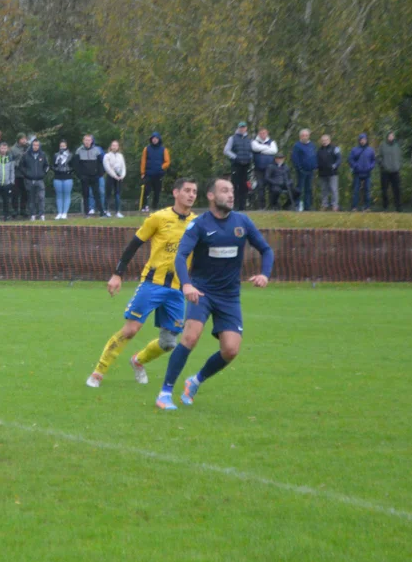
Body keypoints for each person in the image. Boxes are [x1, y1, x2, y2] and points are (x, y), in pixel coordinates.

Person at [156, 178, 274, 410]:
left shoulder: (242, 222)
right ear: (211, 196)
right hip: (202, 291)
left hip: (229, 295)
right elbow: (180, 256)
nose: (231, 195)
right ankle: (165, 393)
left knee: (230, 350)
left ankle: (195, 381)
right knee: (190, 337)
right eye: (224, 191)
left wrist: (265, 274)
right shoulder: (199, 225)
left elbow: (266, 249)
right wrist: (187, 285)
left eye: (232, 190)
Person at [87, 177, 198, 389]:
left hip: (177, 289)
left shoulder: (197, 223)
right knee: (130, 330)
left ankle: (138, 361)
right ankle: (98, 372)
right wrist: (117, 274)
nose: (191, 195)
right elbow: (134, 244)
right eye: (187, 190)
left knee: (169, 343)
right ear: (176, 193)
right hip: (152, 284)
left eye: (194, 191)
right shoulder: (158, 218)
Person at [223, 121, 254, 210]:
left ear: (246, 128)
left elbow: (252, 151)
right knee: (235, 185)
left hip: (246, 165)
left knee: (244, 186)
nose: (242, 129)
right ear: (238, 128)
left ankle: (242, 206)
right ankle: (234, 205)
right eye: (241, 127)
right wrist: (235, 157)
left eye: (244, 127)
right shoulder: (232, 138)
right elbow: (226, 150)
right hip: (236, 165)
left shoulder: (249, 139)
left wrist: (250, 157)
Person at [19, 137, 49, 220]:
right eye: (34, 145)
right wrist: (26, 174)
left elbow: (47, 166)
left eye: (37, 145)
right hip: (29, 180)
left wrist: (43, 173)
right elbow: (21, 166)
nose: (35, 147)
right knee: (31, 198)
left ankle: (42, 214)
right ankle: (32, 215)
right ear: (31, 146)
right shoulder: (25, 155)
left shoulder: (43, 155)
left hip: (40, 180)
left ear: (39, 146)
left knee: (41, 197)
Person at [73, 134, 103, 217]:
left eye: (89, 140)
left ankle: (101, 212)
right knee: (85, 195)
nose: (87, 142)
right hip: (84, 177)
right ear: (83, 141)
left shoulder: (97, 150)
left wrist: (99, 174)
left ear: (92, 141)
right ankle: (86, 213)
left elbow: (100, 163)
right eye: (86, 140)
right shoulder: (79, 151)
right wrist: (80, 176)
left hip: (94, 176)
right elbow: (76, 165)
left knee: (97, 194)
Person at [140, 132, 170, 212]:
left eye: (156, 138)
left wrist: (161, 167)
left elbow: (167, 161)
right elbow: (143, 161)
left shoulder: (164, 150)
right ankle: (144, 206)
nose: (154, 140)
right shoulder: (146, 149)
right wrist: (142, 172)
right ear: (151, 139)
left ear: (159, 139)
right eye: (153, 138)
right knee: (146, 191)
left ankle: (154, 207)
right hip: (148, 174)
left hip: (158, 174)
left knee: (157, 192)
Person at [251, 128, 278, 208]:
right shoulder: (254, 142)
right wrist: (267, 148)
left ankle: (272, 206)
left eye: (264, 133)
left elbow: (274, 151)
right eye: (261, 133)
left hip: (270, 169)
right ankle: (261, 206)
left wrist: (261, 150)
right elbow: (255, 148)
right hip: (259, 169)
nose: (263, 134)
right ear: (259, 134)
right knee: (260, 187)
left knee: (271, 187)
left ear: (267, 133)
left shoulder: (272, 142)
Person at [348, 133, 376, 211]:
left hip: (367, 173)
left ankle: (367, 207)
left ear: (366, 140)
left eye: (364, 139)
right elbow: (350, 160)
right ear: (359, 140)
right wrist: (356, 166)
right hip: (357, 173)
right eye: (361, 139)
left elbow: (373, 160)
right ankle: (354, 207)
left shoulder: (370, 150)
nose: (363, 141)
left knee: (367, 190)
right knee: (356, 191)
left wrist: (370, 167)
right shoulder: (354, 149)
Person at [291, 129, 316, 211]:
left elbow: (314, 156)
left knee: (308, 189)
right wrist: (299, 168)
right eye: (303, 135)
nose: (304, 137)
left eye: (306, 135)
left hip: (310, 170)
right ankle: (297, 205)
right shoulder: (297, 146)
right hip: (301, 171)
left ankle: (307, 206)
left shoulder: (312, 145)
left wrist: (315, 166)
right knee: (299, 189)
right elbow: (295, 158)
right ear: (300, 136)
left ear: (309, 136)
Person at [377, 132, 402, 212]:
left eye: (392, 136)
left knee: (397, 190)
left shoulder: (396, 145)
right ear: (387, 137)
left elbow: (399, 156)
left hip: (395, 171)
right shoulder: (382, 145)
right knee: (384, 190)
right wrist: (382, 164)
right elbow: (379, 156)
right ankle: (385, 206)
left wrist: (398, 165)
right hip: (385, 171)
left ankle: (398, 207)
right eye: (390, 136)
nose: (391, 137)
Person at [316, 134, 342, 211]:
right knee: (324, 190)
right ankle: (324, 205)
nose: (324, 142)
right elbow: (317, 161)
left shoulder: (335, 148)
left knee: (334, 190)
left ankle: (335, 205)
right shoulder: (319, 150)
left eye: (326, 140)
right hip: (322, 173)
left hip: (332, 173)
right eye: (323, 140)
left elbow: (339, 159)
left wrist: (335, 165)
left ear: (329, 140)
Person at [103, 140, 126, 218]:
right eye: (113, 145)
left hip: (119, 177)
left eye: (116, 145)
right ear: (111, 146)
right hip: (110, 176)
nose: (114, 147)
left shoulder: (120, 156)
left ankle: (117, 211)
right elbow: (107, 167)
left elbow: (123, 167)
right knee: (108, 194)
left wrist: (122, 175)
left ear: (118, 147)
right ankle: (106, 211)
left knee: (117, 194)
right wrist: (114, 175)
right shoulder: (107, 156)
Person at [52, 140, 74, 219]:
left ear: (66, 146)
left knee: (67, 195)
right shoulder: (56, 155)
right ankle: (59, 212)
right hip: (57, 177)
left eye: (64, 146)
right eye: (61, 146)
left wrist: (68, 171)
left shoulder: (70, 155)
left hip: (68, 177)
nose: (62, 148)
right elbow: (53, 165)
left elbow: (73, 166)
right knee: (59, 196)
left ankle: (65, 213)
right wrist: (56, 170)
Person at [9, 133, 29, 217]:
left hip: (26, 174)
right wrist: (18, 163)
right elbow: (10, 161)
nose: (24, 140)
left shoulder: (28, 148)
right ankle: (15, 210)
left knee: (25, 193)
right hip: (16, 174)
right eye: (22, 139)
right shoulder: (13, 149)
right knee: (15, 193)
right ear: (18, 140)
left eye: (25, 139)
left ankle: (23, 209)